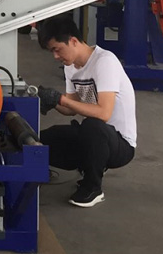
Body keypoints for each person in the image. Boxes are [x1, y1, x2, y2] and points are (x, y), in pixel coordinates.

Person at [36, 16, 136, 208]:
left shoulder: (104, 62)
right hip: (92, 138)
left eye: (57, 49)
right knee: (41, 140)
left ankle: (93, 187)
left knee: (92, 125)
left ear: (73, 41)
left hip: (120, 144)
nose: (55, 56)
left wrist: (60, 98)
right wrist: (50, 101)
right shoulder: (71, 67)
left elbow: (104, 114)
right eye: (52, 51)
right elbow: (70, 108)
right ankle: (85, 165)